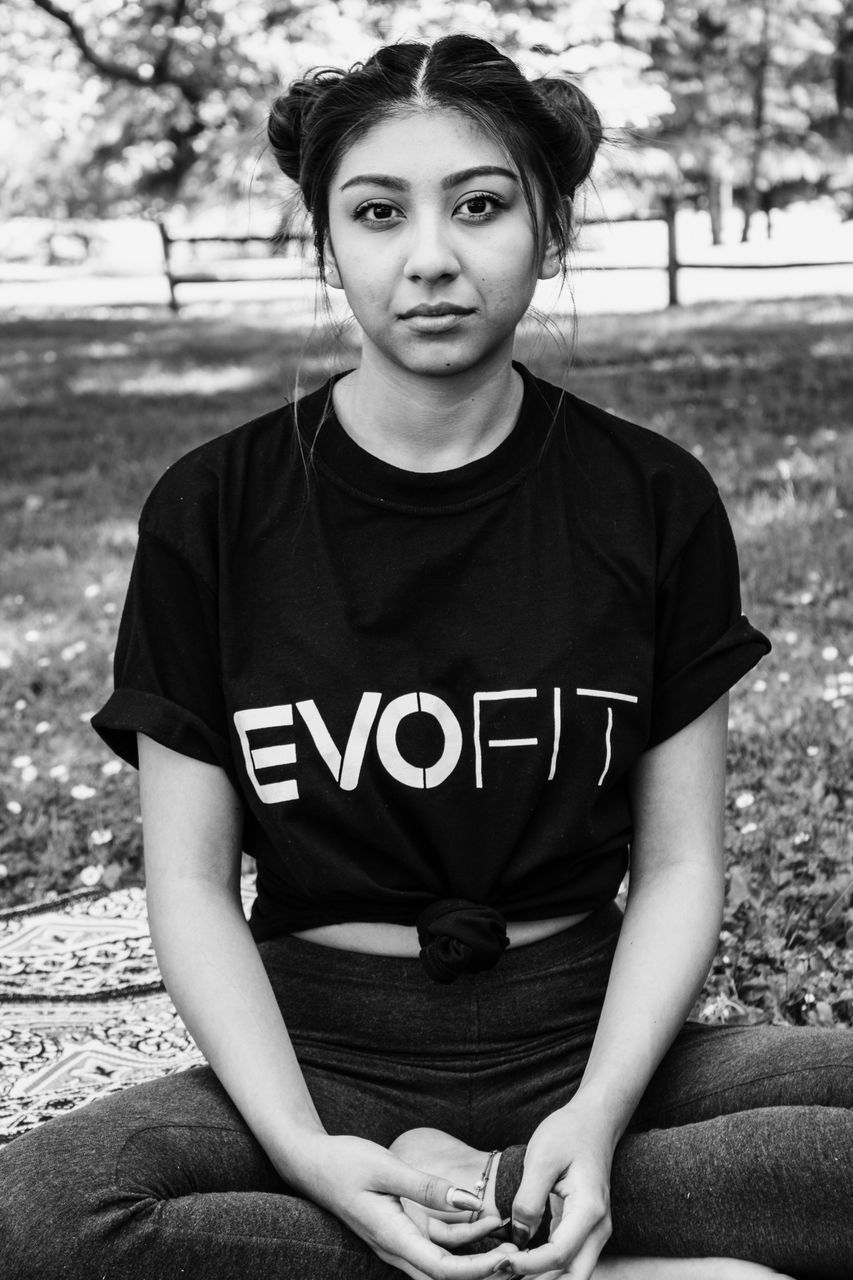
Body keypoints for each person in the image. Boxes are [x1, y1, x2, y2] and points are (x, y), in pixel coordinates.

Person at [1, 33, 851, 1280]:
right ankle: (514, 1230)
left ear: (546, 227)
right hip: (322, 1044)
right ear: (327, 240)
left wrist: (597, 1121)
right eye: (379, 211)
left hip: (590, 1026)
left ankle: (508, 1202)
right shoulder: (213, 507)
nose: (432, 256)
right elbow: (187, 887)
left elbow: (676, 866)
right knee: (42, 1212)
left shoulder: (651, 495)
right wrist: (303, 1147)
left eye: (480, 205)